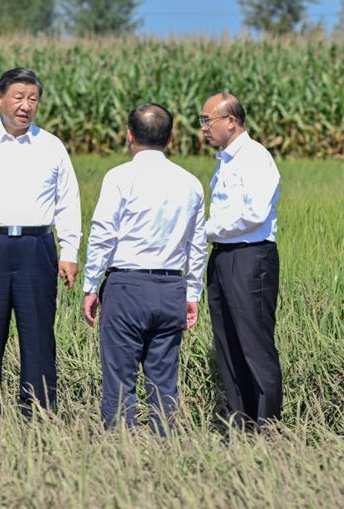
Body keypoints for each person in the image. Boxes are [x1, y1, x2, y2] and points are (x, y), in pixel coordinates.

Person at [0, 67, 82, 426]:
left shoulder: (51, 145)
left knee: (38, 333)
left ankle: (38, 413)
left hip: (37, 247)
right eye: (18, 97)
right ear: (0, 98)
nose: (26, 105)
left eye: (33, 99)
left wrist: (69, 252)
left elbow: (68, 201)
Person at [82, 103, 207, 434]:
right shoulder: (191, 183)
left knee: (119, 378)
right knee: (164, 381)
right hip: (171, 289)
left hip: (127, 287)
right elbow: (197, 244)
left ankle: (121, 452)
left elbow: (103, 234)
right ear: (171, 137)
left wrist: (91, 285)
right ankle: (165, 449)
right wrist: (192, 292)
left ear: (129, 135)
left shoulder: (120, 177)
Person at [200, 92, 282, 431]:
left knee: (254, 344)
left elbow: (254, 213)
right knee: (228, 344)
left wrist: (207, 229)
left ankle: (268, 426)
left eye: (208, 120)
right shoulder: (226, 161)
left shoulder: (255, 157)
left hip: (250, 258)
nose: (203, 127)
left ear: (231, 121)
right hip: (222, 256)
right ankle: (240, 422)